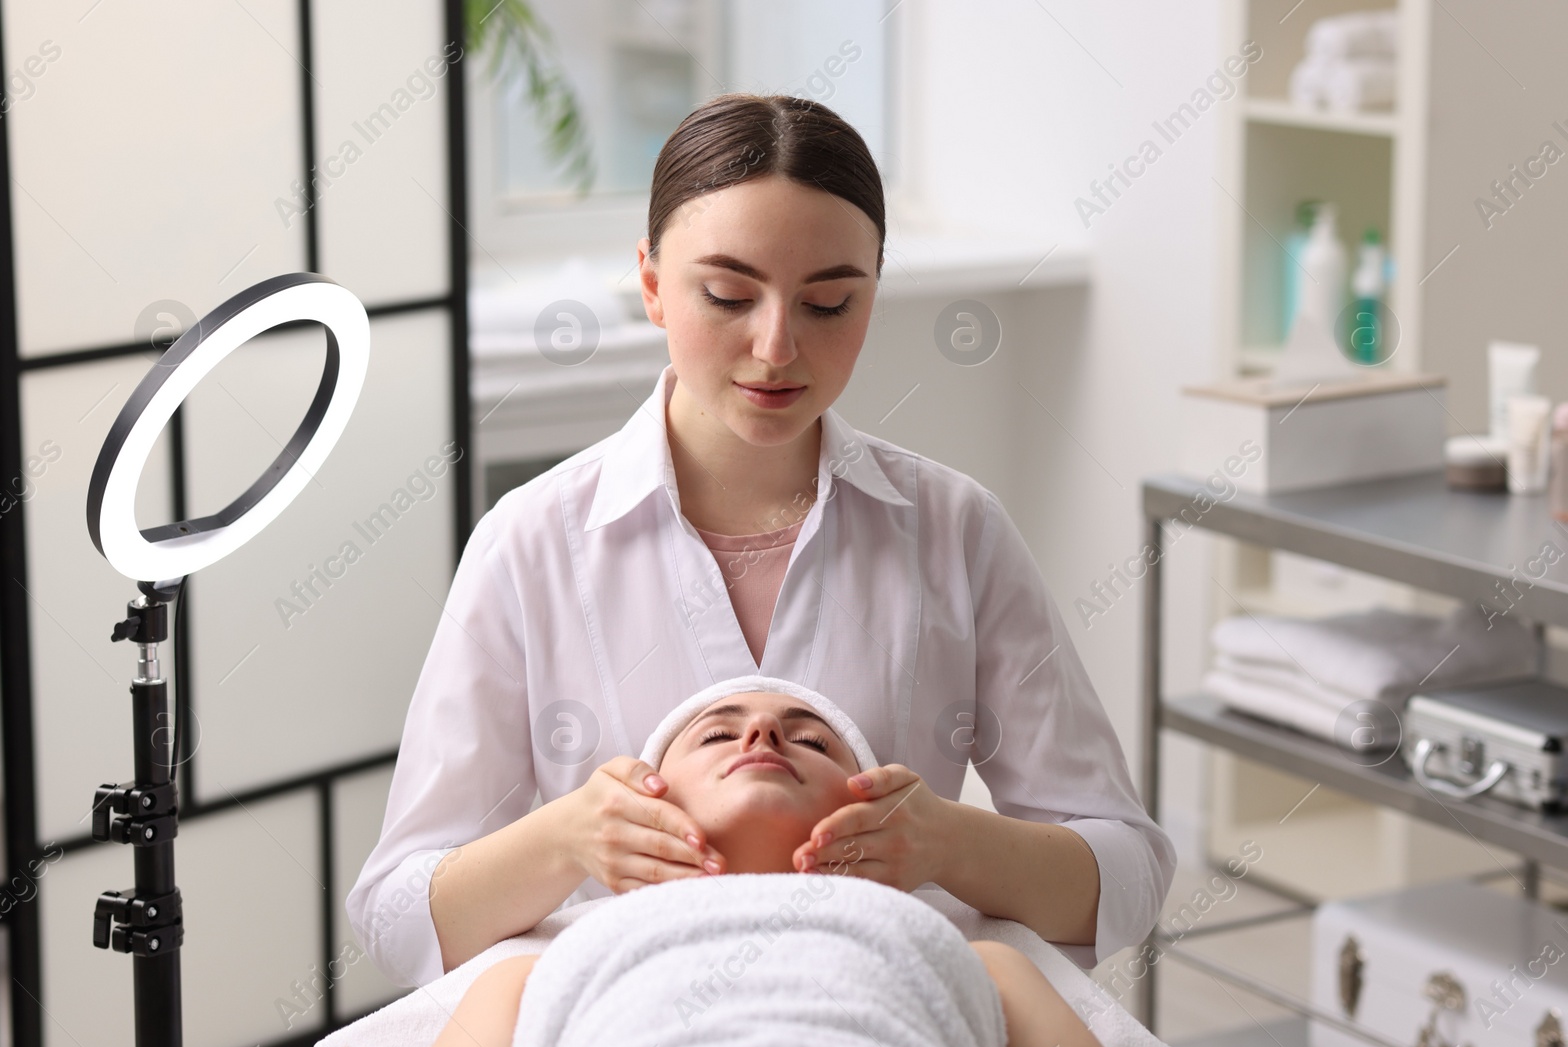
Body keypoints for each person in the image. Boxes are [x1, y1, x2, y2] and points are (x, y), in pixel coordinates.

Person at [346, 91, 1174, 991]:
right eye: (729, 295)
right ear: (654, 285)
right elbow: (395, 916)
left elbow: (1127, 875)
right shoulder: (529, 544)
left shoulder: (954, 531)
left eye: (827, 303)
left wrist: (949, 839)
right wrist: (566, 837)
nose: (776, 347)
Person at [418, 680, 1115, 1047]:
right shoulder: (530, 973)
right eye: (719, 732)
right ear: (640, 803)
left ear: (871, 808)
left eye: (811, 739)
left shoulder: (986, 965)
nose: (763, 735)